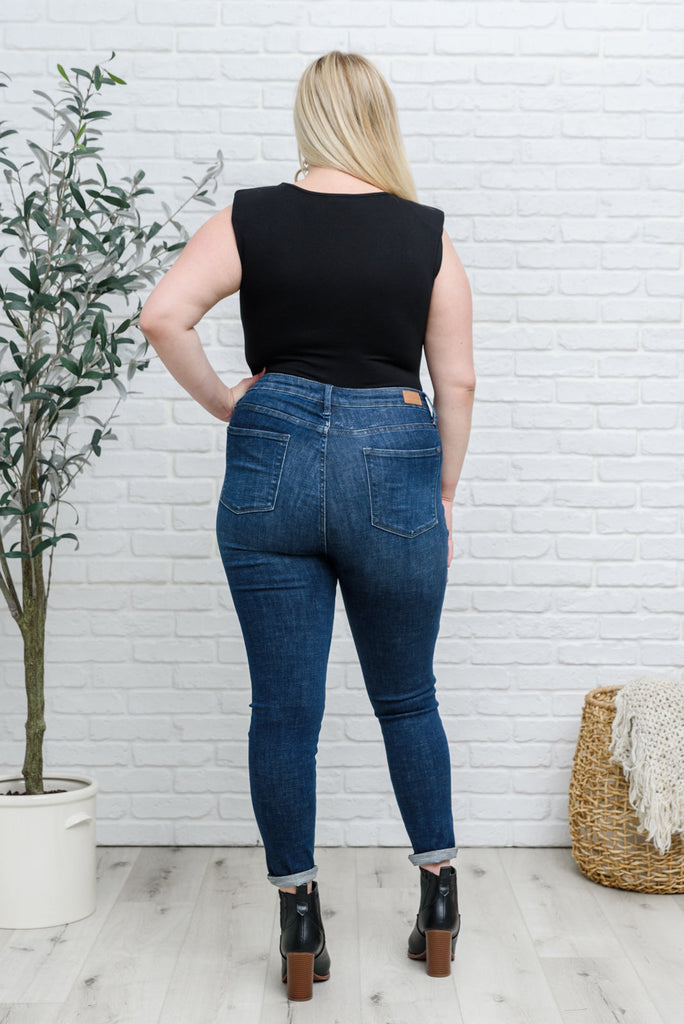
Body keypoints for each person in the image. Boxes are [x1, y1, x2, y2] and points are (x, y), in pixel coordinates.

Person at [140, 50, 475, 1002]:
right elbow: (456, 380)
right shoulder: (425, 234)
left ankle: (298, 919)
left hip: (272, 455)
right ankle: (440, 900)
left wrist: (227, 402)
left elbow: (163, 316)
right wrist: (444, 493)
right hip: (394, 461)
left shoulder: (250, 216)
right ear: (378, 119)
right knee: (407, 699)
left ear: (309, 118)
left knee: (284, 710)